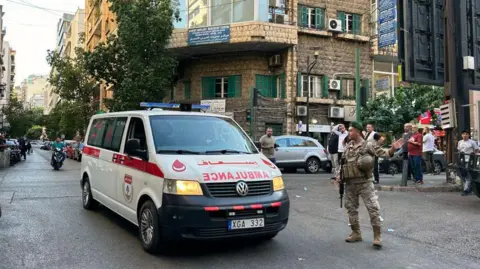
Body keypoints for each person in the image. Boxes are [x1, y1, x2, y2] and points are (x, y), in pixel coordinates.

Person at [338, 121, 404, 249]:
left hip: (364, 182)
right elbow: (343, 163)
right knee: (351, 209)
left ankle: (377, 236)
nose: (349, 133)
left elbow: (383, 153)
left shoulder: (368, 145)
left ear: (357, 131)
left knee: (373, 208)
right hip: (350, 183)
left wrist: (392, 149)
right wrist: (339, 176)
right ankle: (356, 233)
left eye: (351, 130)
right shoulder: (348, 146)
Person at [457, 130, 479, 196]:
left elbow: (477, 150)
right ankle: (469, 187)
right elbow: (459, 150)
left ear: (469, 135)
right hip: (462, 161)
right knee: (462, 174)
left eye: (466, 134)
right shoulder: (460, 142)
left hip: (470, 161)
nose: (465, 135)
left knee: (467, 175)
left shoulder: (472, 142)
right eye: (463, 134)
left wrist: (473, 155)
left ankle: (466, 190)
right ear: (461, 135)